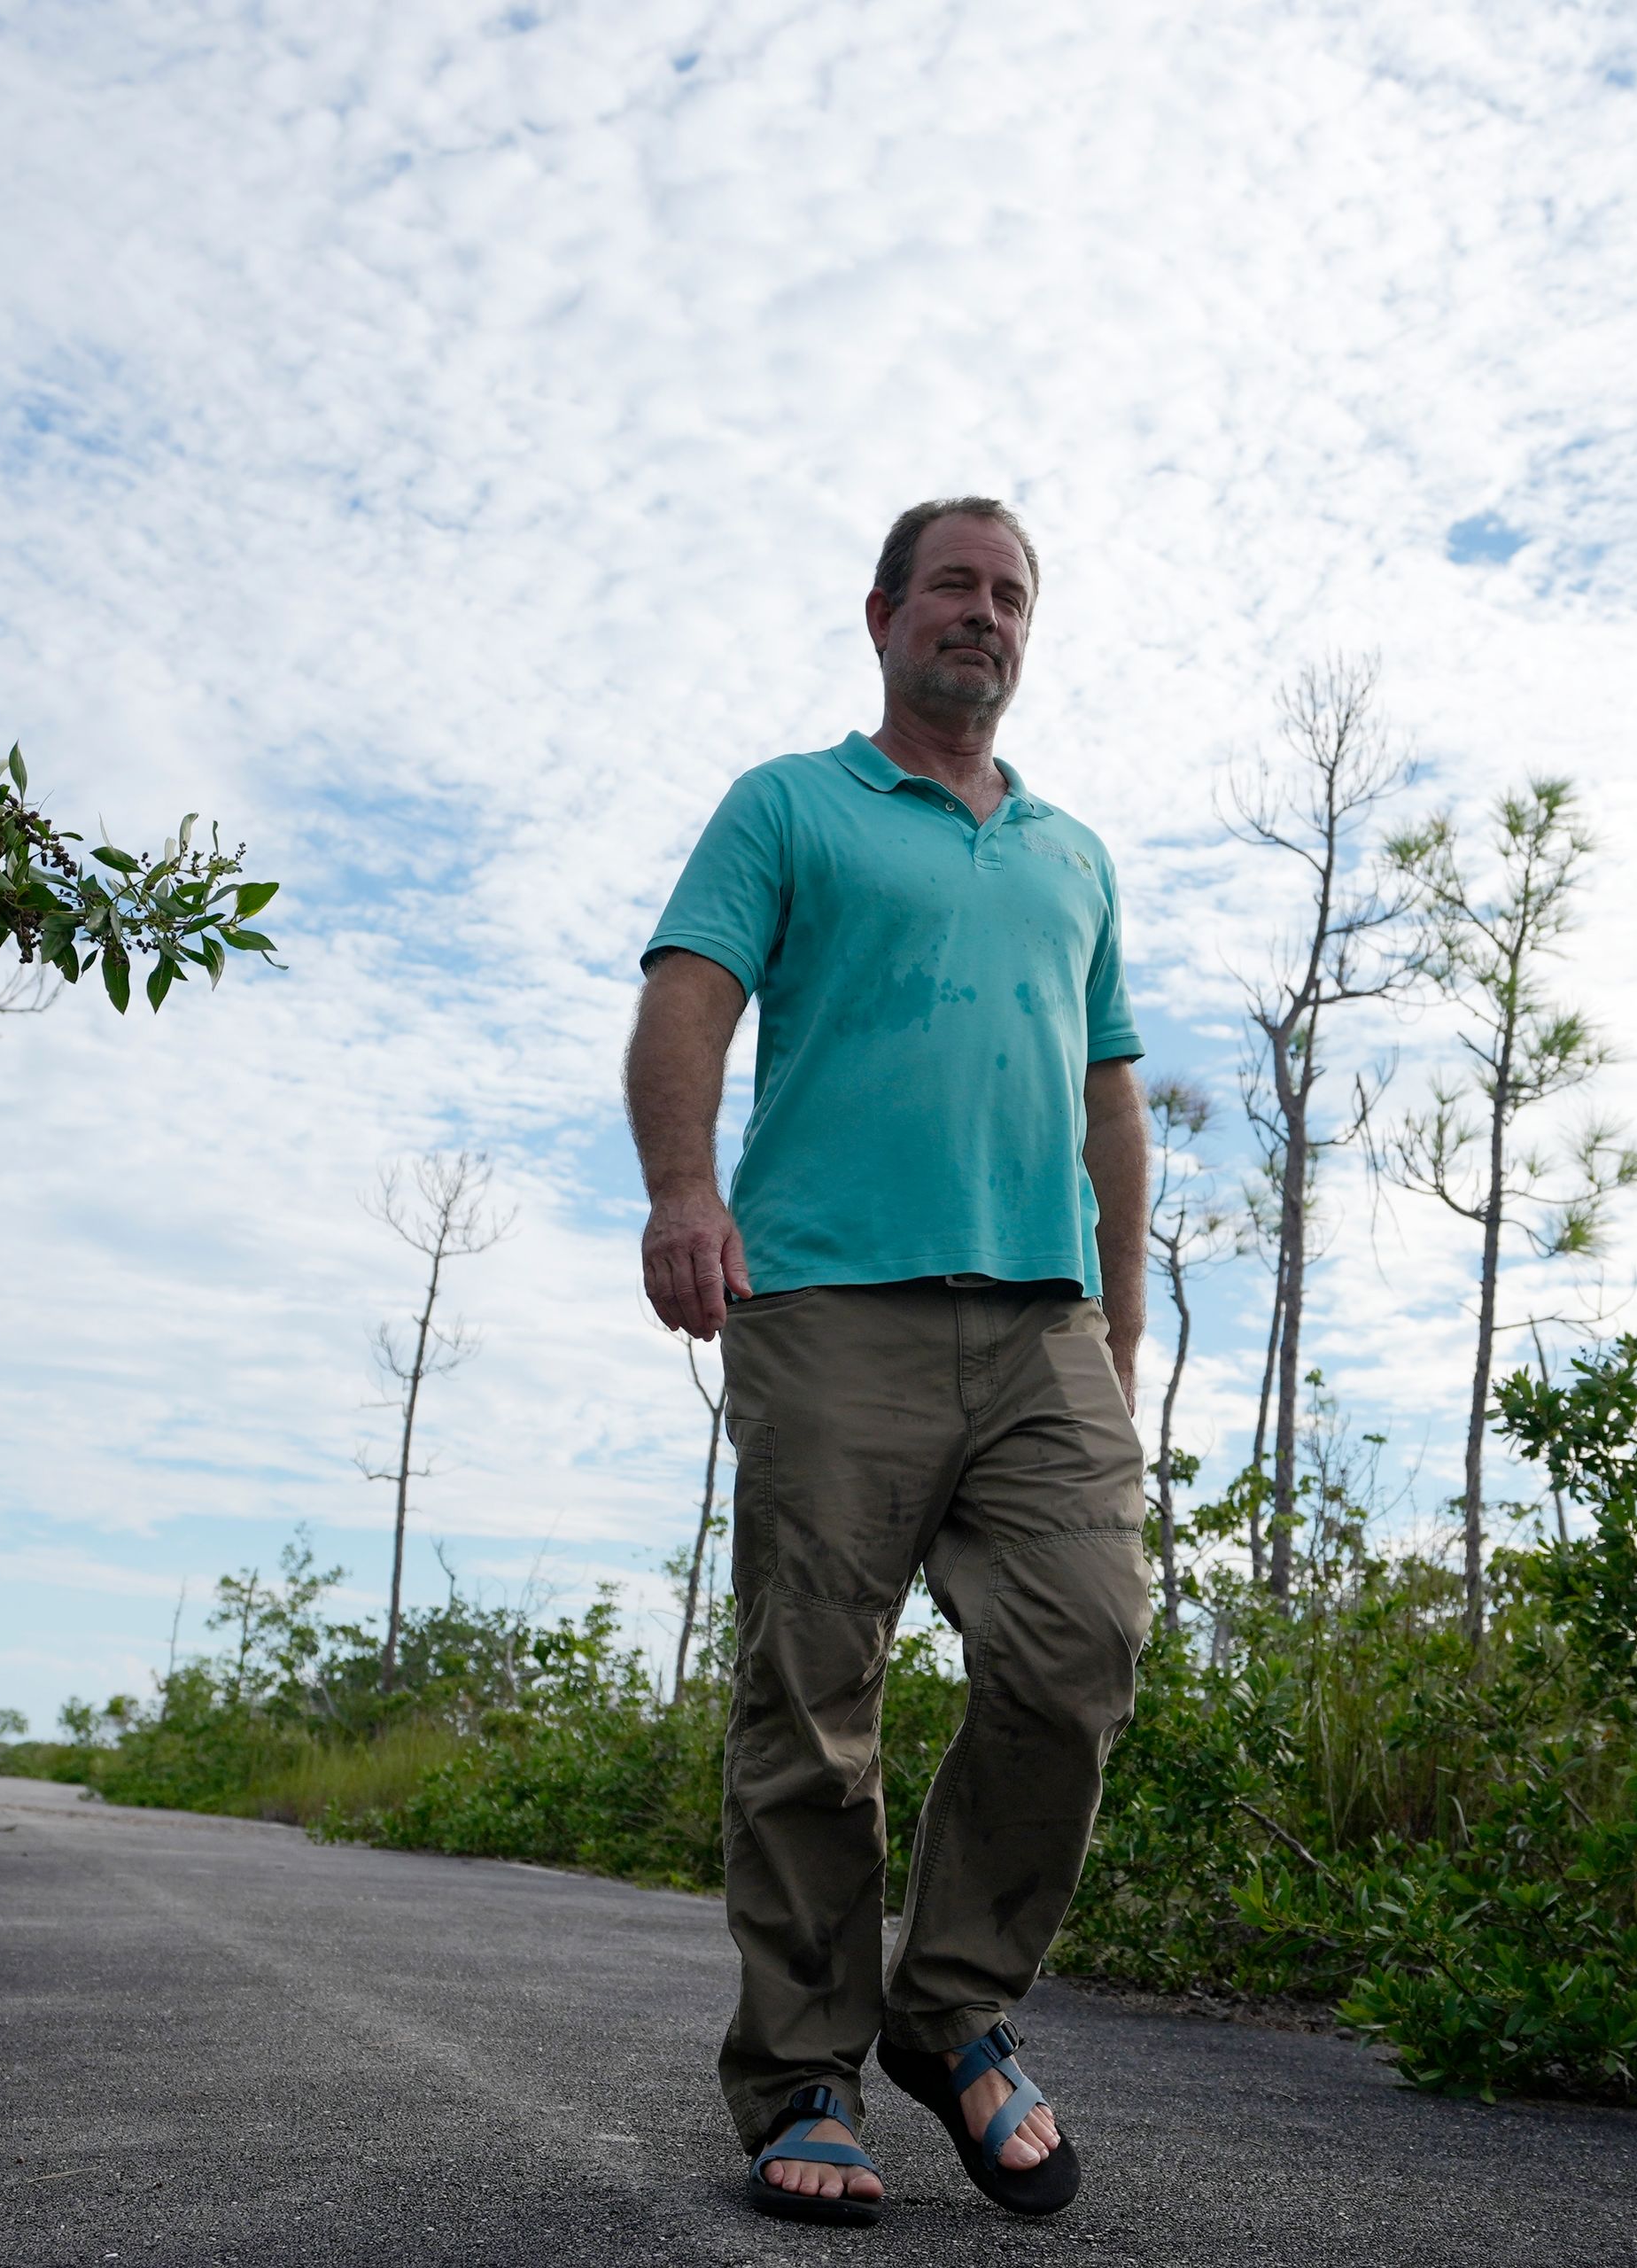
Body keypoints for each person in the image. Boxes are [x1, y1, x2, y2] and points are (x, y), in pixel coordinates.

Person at [624, 497, 1153, 2225]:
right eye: (954, 586)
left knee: (1083, 1647)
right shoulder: (791, 806)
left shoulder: (1075, 856)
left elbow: (1110, 1096)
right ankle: (799, 2067)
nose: (983, 616)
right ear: (881, 614)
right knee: (814, 1694)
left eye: (1011, 595)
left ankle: (949, 2007)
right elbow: (690, 995)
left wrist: (1121, 1318)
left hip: (1040, 1320)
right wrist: (686, 1189)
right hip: (829, 1303)